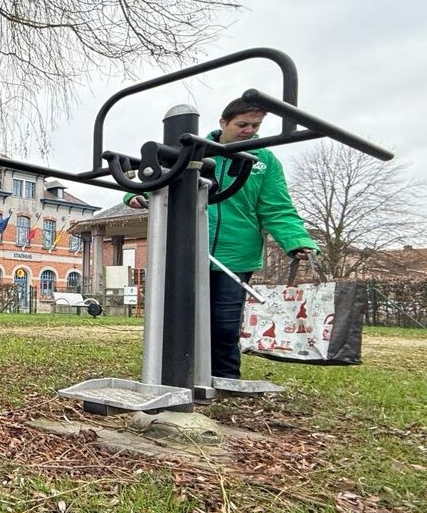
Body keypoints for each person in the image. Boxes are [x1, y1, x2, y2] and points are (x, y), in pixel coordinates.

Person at [127, 98, 316, 379]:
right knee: (182, 318)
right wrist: (134, 194)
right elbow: (157, 179)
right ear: (223, 123)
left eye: (255, 125)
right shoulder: (193, 149)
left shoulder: (264, 161)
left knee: (224, 323)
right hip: (188, 248)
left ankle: (225, 377)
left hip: (236, 253)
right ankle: (180, 374)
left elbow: (277, 207)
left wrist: (296, 239)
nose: (249, 131)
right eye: (242, 124)